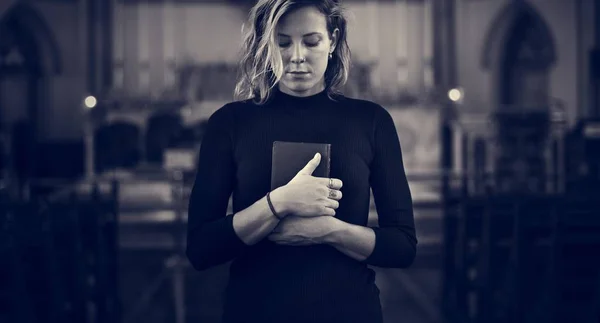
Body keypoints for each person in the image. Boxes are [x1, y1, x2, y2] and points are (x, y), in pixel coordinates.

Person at [186, 0, 417, 322]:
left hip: (348, 310)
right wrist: (278, 203)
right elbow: (200, 248)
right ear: (266, 45)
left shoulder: (370, 121)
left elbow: (403, 246)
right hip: (255, 310)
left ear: (332, 41)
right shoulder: (230, 123)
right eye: (282, 42)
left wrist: (328, 231)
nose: (296, 56)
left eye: (311, 41)